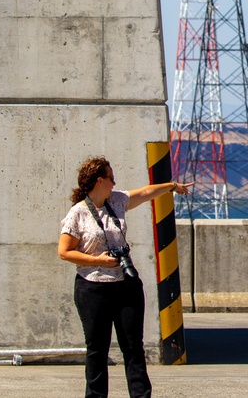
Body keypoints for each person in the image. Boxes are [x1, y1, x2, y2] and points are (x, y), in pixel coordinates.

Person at [58, 156, 192, 398]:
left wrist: (171, 186)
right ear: (100, 181)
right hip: (92, 288)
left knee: (133, 348)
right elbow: (64, 252)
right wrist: (99, 260)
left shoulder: (117, 200)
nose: (114, 181)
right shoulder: (78, 213)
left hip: (126, 284)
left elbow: (145, 192)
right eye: (111, 177)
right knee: (97, 349)